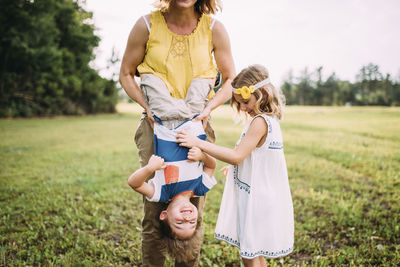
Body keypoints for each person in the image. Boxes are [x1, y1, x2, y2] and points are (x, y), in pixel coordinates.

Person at [119, 0, 235, 265]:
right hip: (156, 123)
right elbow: (126, 74)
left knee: (197, 209)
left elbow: (229, 79)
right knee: (153, 213)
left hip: (198, 123)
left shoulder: (214, 28)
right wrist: (147, 107)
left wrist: (208, 110)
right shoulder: (146, 25)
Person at [176, 64, 294, 267]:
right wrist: (236, 168)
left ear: (263, 94)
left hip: (257, 199)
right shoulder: (270, 121)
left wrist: (198, 143)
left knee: (248, 254)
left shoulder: (259, 121)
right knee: (257, 252)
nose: (244, 108)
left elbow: (237, 156)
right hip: (264, 195)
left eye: (246, 101)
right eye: (240, 104)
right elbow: (258, 156)